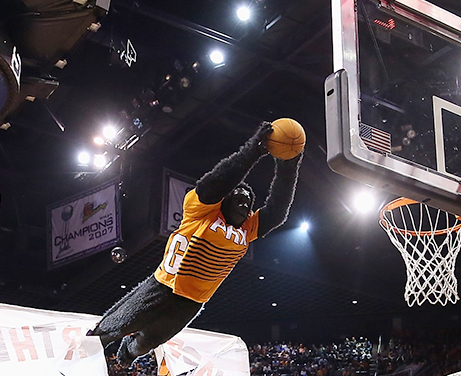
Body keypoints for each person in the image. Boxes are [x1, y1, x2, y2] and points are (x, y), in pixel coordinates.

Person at [88, 122, 301, 363]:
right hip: (165, 285)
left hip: (193, 301)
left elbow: (278, 210)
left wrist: (288, 167)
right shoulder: (202, 210)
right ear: (225, 201)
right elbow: (218, 181)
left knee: (144, 344)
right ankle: (79, 352)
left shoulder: (248, 228)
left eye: (248, 203)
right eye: (239, 199)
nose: (244, 206)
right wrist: (252, 151)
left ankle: (125, 356)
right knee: (115, 327)